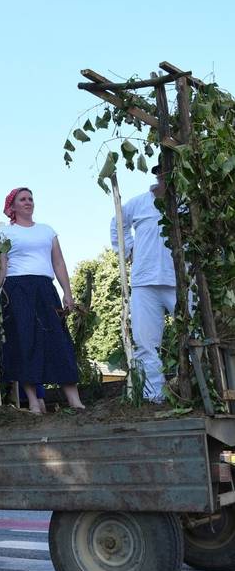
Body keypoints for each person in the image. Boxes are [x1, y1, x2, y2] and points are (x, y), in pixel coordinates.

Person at [0, 187, 84, 414]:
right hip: (16, 290)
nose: (28, 202)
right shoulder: (4, 233)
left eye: (30, 198)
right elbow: (1, 267)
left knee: (58, 340)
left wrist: (67, 293)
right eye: (22, 199)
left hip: (45, 289)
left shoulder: (47, 231)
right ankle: (34, 403)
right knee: (25, 342)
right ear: (12, 206)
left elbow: (58, 263)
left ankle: (74, 400)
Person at [110, 162, 176, 402]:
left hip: (180, 280)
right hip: (144, 281)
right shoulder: (139, 203)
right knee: (145, 342)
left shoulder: (187, 202)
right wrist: (128, 250)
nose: (165, 175)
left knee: (195, 334)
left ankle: (193, 388)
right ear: (158, 174)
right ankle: (154, 396)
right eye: (162, 171)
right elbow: (117, 223)